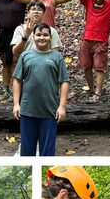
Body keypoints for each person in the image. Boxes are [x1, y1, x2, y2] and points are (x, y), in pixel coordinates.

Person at [12, 23, 69, 156]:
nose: (41, 38)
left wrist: (62, 107)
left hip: (50, 111)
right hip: (27, 110)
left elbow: (64, 82)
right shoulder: (26, 56)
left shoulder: (57, 57)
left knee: (47, 151)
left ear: (50, 37)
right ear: (33, 37)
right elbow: (17, 79)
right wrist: (16, 104)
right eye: (38, 35)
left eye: (45, 35)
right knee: (27, 150)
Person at [10, 0, 62, 68]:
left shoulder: (51, 31)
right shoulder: (20, 29)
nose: (36, 12)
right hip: (25, 66)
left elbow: (55, 54)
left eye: (39, 10)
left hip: (45, 67)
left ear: (43, 13)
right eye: (33, 9)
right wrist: (25, 36)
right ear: (28, 13)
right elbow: (15, 52)